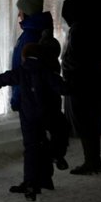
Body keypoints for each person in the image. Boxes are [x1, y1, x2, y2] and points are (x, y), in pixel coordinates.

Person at [0, 43, 68, 202]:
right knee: (53, 136)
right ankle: (56, 156)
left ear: (24, 56)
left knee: (31, 149)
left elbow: (5, 77)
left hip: (28, 117)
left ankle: (30, 185)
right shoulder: (46, 71)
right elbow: (63, 87)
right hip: (46, 115)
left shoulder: (21, 71)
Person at [61, 0, 101, 175]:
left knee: (85, 122)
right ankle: (95, 161)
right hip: (88, 80)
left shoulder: (79, 29)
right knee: (90, 122)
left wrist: (68, 71)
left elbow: (75, 57)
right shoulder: (87, 27)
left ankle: (91, 161)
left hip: (80, 82)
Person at [10, 0, 53, 112]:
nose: (19, 14)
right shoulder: (31, 33)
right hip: (30, 98)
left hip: (29, 99)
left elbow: (24, 72)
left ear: (28, 12)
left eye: (21, 10)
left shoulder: (31, 36)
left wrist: (17, 98)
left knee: (32, 130)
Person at [38, 29, 69, 170]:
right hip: (48, 109)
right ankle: (55, 155)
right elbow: (61, 87)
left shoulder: (46, 67)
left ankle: (55, 155)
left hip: (47, 109)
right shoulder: (49, 70)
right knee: (60, 131)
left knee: (59, 131)